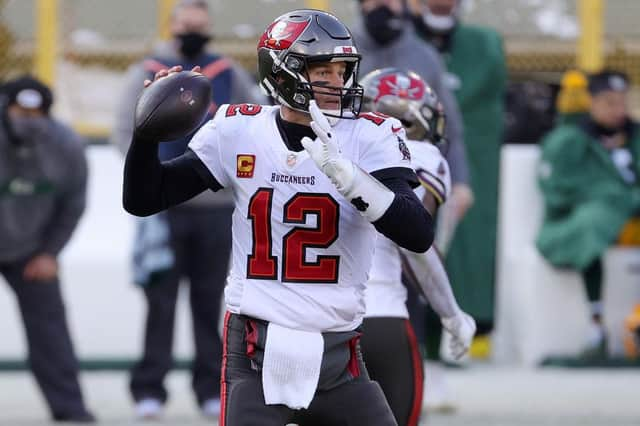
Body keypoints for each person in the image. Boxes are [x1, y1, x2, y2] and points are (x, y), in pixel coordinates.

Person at [123, 9, 434, 426]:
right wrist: (145, 138)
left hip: (339, 354)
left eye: (341, 70)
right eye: (321, 71)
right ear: (283, 73)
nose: (336, 82)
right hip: (256, 350)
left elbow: (417, 232)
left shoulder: (371, 135)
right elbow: (145, 198)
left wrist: (354, 181)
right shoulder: (239, 130)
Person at [110, 0, 265, 419]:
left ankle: (207, 388)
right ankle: (149, 388)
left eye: (200, 26)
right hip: (164, 209)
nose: (193, 33)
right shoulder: (148, 71)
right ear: (173, 27)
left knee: (208, 302)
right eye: (186, 26)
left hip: (215, 209)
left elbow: (254, 126)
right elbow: (124, 129)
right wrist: (150, 176)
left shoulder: (228, 72)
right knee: (159, 302)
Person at [359, 68, 476, 426]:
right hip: (380, 312)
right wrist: (451, 313)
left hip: (304, 319)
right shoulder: (422, 155)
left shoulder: (324, 147)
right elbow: (413, 241)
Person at [0, 75, 94, 423]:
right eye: (18, 111)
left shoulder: (66, 145)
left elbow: (73, 204)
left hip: (32, 249)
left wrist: (50, 253)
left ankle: (70, 409)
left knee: (50, 331)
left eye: (34, 113)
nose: (26, 119)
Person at [537, 70, 640, 358]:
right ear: (591, 103)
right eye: (609, 103)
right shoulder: (571, 139)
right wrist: (606, 195)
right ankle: (597, 327)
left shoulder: (634, 135)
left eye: (622, 103)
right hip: (586, 219)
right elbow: (556, 187)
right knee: (592, 225)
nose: (618, 111)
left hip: (632, 214)